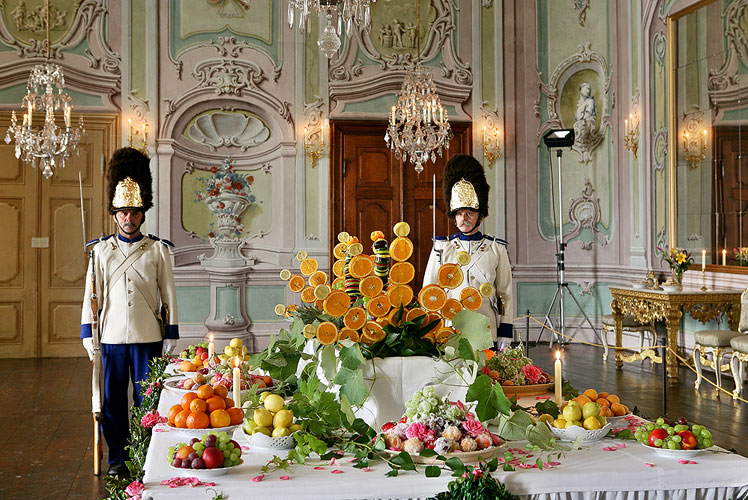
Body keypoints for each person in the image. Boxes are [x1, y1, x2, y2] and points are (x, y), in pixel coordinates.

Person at [80, 147, 179, 477]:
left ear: (142, 212)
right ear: (114, 213)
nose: (128, 217)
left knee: (147, 400)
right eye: (123, 211)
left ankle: (147, 453)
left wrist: (171, 334)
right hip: (109, 336)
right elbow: (90, 296)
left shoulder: (158, 251)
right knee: (110, 403)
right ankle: (118, 458)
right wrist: (86, 334)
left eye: (134, 211)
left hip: (148, 335)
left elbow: (169, 295)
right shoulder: (100, 251)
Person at [422, 154, 513, 349]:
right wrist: (431, 329)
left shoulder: (497, 249)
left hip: (486, 326)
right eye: (460, 214)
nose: (464, 218)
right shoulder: (441, 248)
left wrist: (506, 329)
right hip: (450, 327)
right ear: (454, 217)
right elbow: (429, 290)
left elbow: (506, 294)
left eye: (469, 213)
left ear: (480, 217)